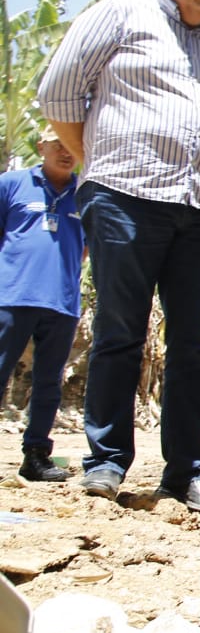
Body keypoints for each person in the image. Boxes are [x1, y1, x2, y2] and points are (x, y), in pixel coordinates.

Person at [39, 0, 200, 517]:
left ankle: (188, 473)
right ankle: (106, 462)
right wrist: (97, 162)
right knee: (120, 334)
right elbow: (59, 94)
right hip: (125, 198)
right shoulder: (122, 16)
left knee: (195, 346)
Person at [0, 128, 83, 483]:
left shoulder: (86, 193)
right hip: (12, 296)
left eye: (71, 145)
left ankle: (36, 456)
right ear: (41, 147)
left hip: (62, 302)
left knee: (49, 382)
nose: (65, 152)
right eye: (56, 145)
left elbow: (86, 246)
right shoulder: (11, 184)